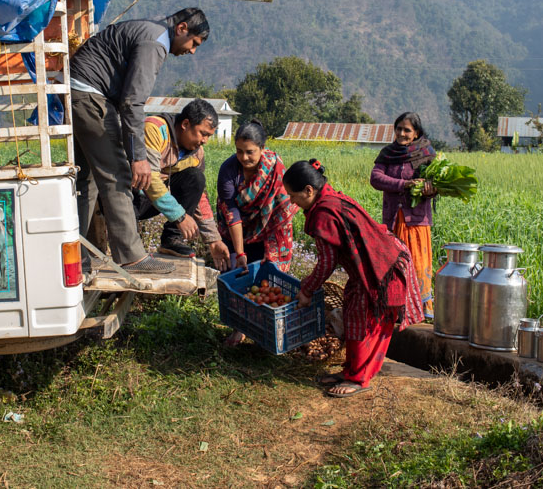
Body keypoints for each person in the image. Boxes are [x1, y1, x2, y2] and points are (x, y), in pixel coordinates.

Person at [70, 8, 209, 272]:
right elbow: (132, 102)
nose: (192, 51)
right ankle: (132, 257)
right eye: (194, 43)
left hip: (80, 91)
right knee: (117, 176)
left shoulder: (148, 31)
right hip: (91, 96)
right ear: (181, 28)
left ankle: (79, 255)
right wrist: (138, 157)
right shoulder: (155, 43)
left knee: (86, 182)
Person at [286, 159, 424, 398]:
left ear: (309, 190)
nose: (292, 202)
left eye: (293, 196)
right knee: (353, 312)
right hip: (376, 262)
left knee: (364, 321)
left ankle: (359, 378)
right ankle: (351, 370)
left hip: (384, 266)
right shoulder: (329, 199)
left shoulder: (323, 214)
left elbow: (327, 263)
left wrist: (306, 290)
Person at [133, 98, 230, 269]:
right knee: (131, 250)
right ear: (185, 124)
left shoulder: (196, 153)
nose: (205, 141)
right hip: (130, 195)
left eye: (209, 136)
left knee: (195, 178)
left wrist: (213, 240)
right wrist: (180, 216)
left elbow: (199, 196)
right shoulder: (155, 128)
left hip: (153, 201)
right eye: (203, 133)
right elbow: (151, 180)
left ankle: (171, 239)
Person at [370, 112, 438, 318]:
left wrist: (429, 189)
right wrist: (404, 184)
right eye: (398, 128)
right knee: (395, 265)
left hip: (416, 222)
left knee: (416, 263)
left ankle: (420, 311)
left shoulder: (425, 154)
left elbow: (437, 184)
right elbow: (376, 178)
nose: (401, 133)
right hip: (392, 220)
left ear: (416, 133)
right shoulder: (388, 154)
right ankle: (397, 309)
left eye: (407, 130)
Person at [216, 119, 297, 272]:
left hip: (265, 231)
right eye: (239, 151)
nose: (244, 157)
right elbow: (231, 212)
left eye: (250, 152)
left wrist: (273, 249)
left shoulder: (274, 166)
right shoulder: (228, 170)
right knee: (235, 273)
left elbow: (281, 206)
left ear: (262, 148)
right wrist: (240, 253)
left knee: (264, 275)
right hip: (234, 232)